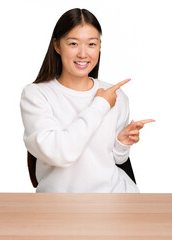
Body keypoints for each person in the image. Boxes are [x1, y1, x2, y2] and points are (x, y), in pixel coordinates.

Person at [20, 8, 154, 193]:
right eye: (73, 43)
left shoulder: (116, 95)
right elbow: (60, 154)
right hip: (58, 207)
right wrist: (101, 105)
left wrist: (122, 143)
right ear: (57, 46)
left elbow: (116, 160)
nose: (83, 54)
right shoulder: (37, 95)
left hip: (113, 201)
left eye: (92, 44)